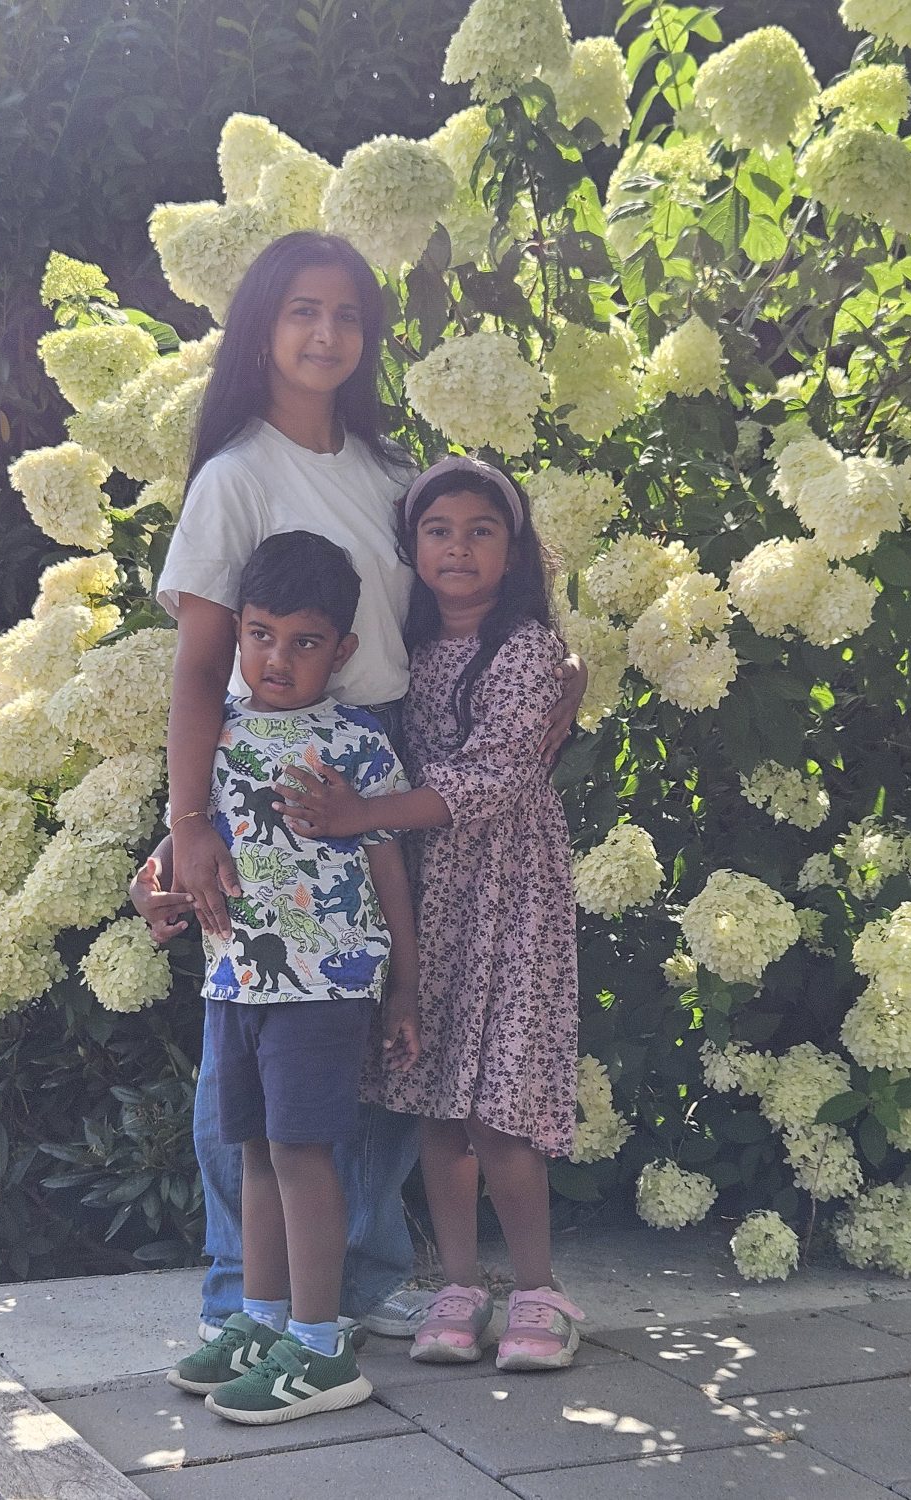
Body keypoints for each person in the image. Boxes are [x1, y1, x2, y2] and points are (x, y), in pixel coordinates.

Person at [138, 231, 583, 1342]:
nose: (325, 333)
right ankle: (243, 1300)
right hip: (275, 765)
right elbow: (200, 670)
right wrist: (189, 822)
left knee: (379, 1020)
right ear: (262, 329)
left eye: (346, 314)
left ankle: (362, 1281)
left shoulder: (390, 475)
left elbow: (462, 596)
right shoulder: (237, 474)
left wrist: (561, 673)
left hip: (394, 752)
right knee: (255, 1018)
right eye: (301, 310)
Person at [273, 455, 584, 1372]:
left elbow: (494, 777)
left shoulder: (524, 648)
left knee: (499, 1108)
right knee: (439, 1102)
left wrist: (361, 814)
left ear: (512, 552)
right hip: (429, 892)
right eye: (437, 531)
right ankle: (459, 1285)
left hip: (508, 894)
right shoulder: (407, 648)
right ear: (410, 548)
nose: (457, 548)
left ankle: (538, 1292)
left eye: (481, 532)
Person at [165, 530, 420, 1424]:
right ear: (237, 631)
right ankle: (264, 1321)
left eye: (304, 641)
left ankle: (320, 1347)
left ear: (340, 651)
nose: (278, 658)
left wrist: (405, 984)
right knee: (256, 1152)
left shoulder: (356, 744)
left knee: (303, 1153)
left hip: (323, 985)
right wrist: (153, 887)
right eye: (261, 635)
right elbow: (187, 840)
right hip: (235, 982)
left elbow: (388, 865)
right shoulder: (219, 737)